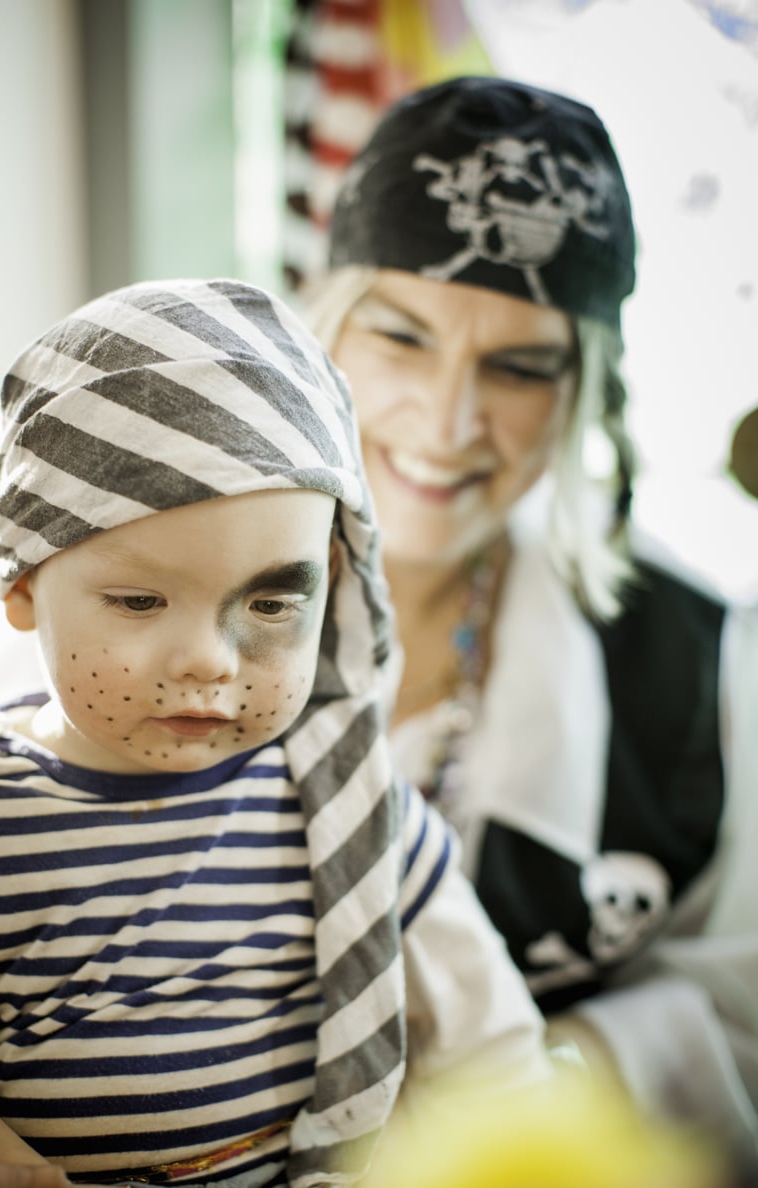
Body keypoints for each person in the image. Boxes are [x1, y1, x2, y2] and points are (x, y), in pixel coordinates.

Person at [0, 278, 552, 1187]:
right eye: (139, 600)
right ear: (21, 585)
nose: (210, 658)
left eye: (274, 601)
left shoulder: (349, 806)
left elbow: (497, 1057)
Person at [300, 76, 758, 1155]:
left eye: (517, 365)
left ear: (583, 391)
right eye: (403, 340)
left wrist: (541, 1082)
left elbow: (745, 1002)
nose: (449, 422)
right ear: (323, 333)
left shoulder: (706, 666)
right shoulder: (121, 595)